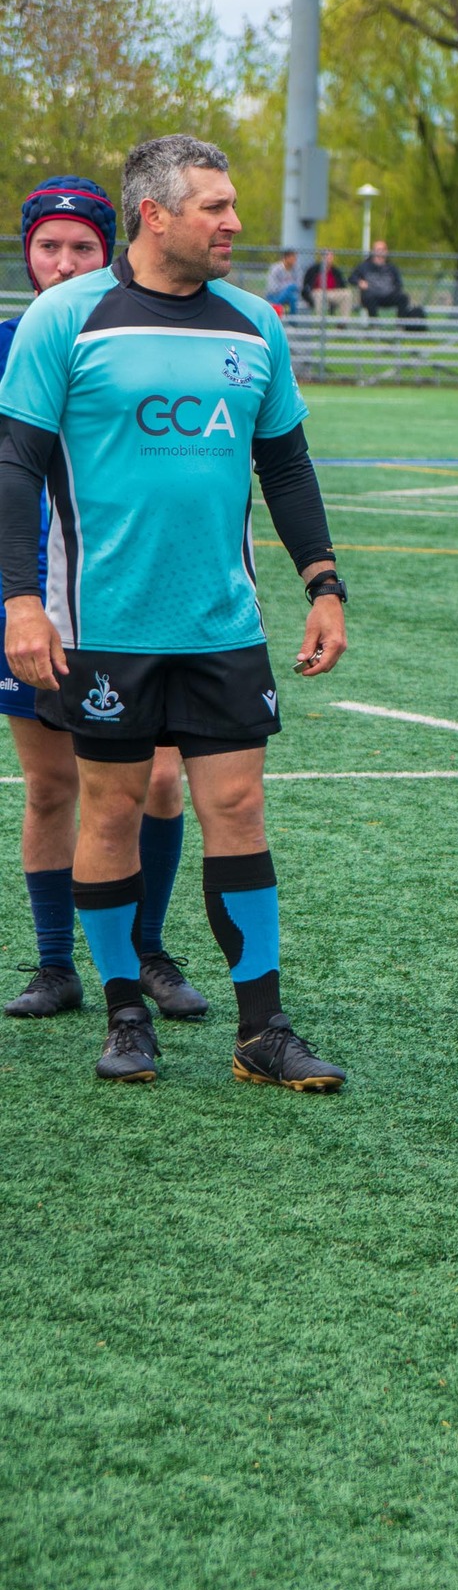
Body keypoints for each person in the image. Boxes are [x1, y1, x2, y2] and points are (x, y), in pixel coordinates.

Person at [0, 133, 349, 1089]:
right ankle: (123, 1013)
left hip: (222, 626)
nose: (235, 222)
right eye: (216, 207)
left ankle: (262, 1031)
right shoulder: (67, 319)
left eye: (233, 205)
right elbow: (16, 464)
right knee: (109, 809)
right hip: (102, 626)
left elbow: (284, 462)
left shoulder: (254, 323)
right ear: (154, 214)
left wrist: (323, 584)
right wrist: (22, 601)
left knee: (237, 806)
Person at [0, 176, 205, 1022]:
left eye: (83, 246)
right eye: (48, 245)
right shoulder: (13, 341)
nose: (64, 261)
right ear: (27, 255)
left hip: (129, 597)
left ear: (112, 249)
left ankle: (146, 952)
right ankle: (56, 966)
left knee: (158, 783)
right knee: (51, 788)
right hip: (28, 594)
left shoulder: (146, 331)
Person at [351, 240, 409, 318]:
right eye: (377, 250)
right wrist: (359, 282)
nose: (380, 253)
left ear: (386, 252)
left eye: (382, 250)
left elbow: (399, 283)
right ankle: (374, 326)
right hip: (372, 295)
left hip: (388, 295)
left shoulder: (391, 267)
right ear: (373, 251)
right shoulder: (364, 266)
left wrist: (393, 290)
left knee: (403, 297)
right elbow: (352, 278)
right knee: (369, 298)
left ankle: (401, 326)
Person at [302, 248, 354, 319]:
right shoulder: (313, 269)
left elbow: (343, 285)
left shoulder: (335, 271)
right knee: (319, 294)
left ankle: (343, 323)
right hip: (317, 292)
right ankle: (320, 322)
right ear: (322, 258)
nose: (328, 259)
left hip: (332, 292)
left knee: (348, 293)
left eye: (330, 257)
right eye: (326, 257)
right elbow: (306, 285)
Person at [264, 249, 300, 315]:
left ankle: (275, 307)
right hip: (274, 295)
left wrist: (288, 289)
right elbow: (273, 287)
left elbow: (298, 285)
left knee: (292, 296)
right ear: (286, 258)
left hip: (289, 295)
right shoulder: (275, 269)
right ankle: (293, 323)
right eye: (293, 258)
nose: (295, 260)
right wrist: (287, 288)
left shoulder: (296, 269)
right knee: (291, 289)